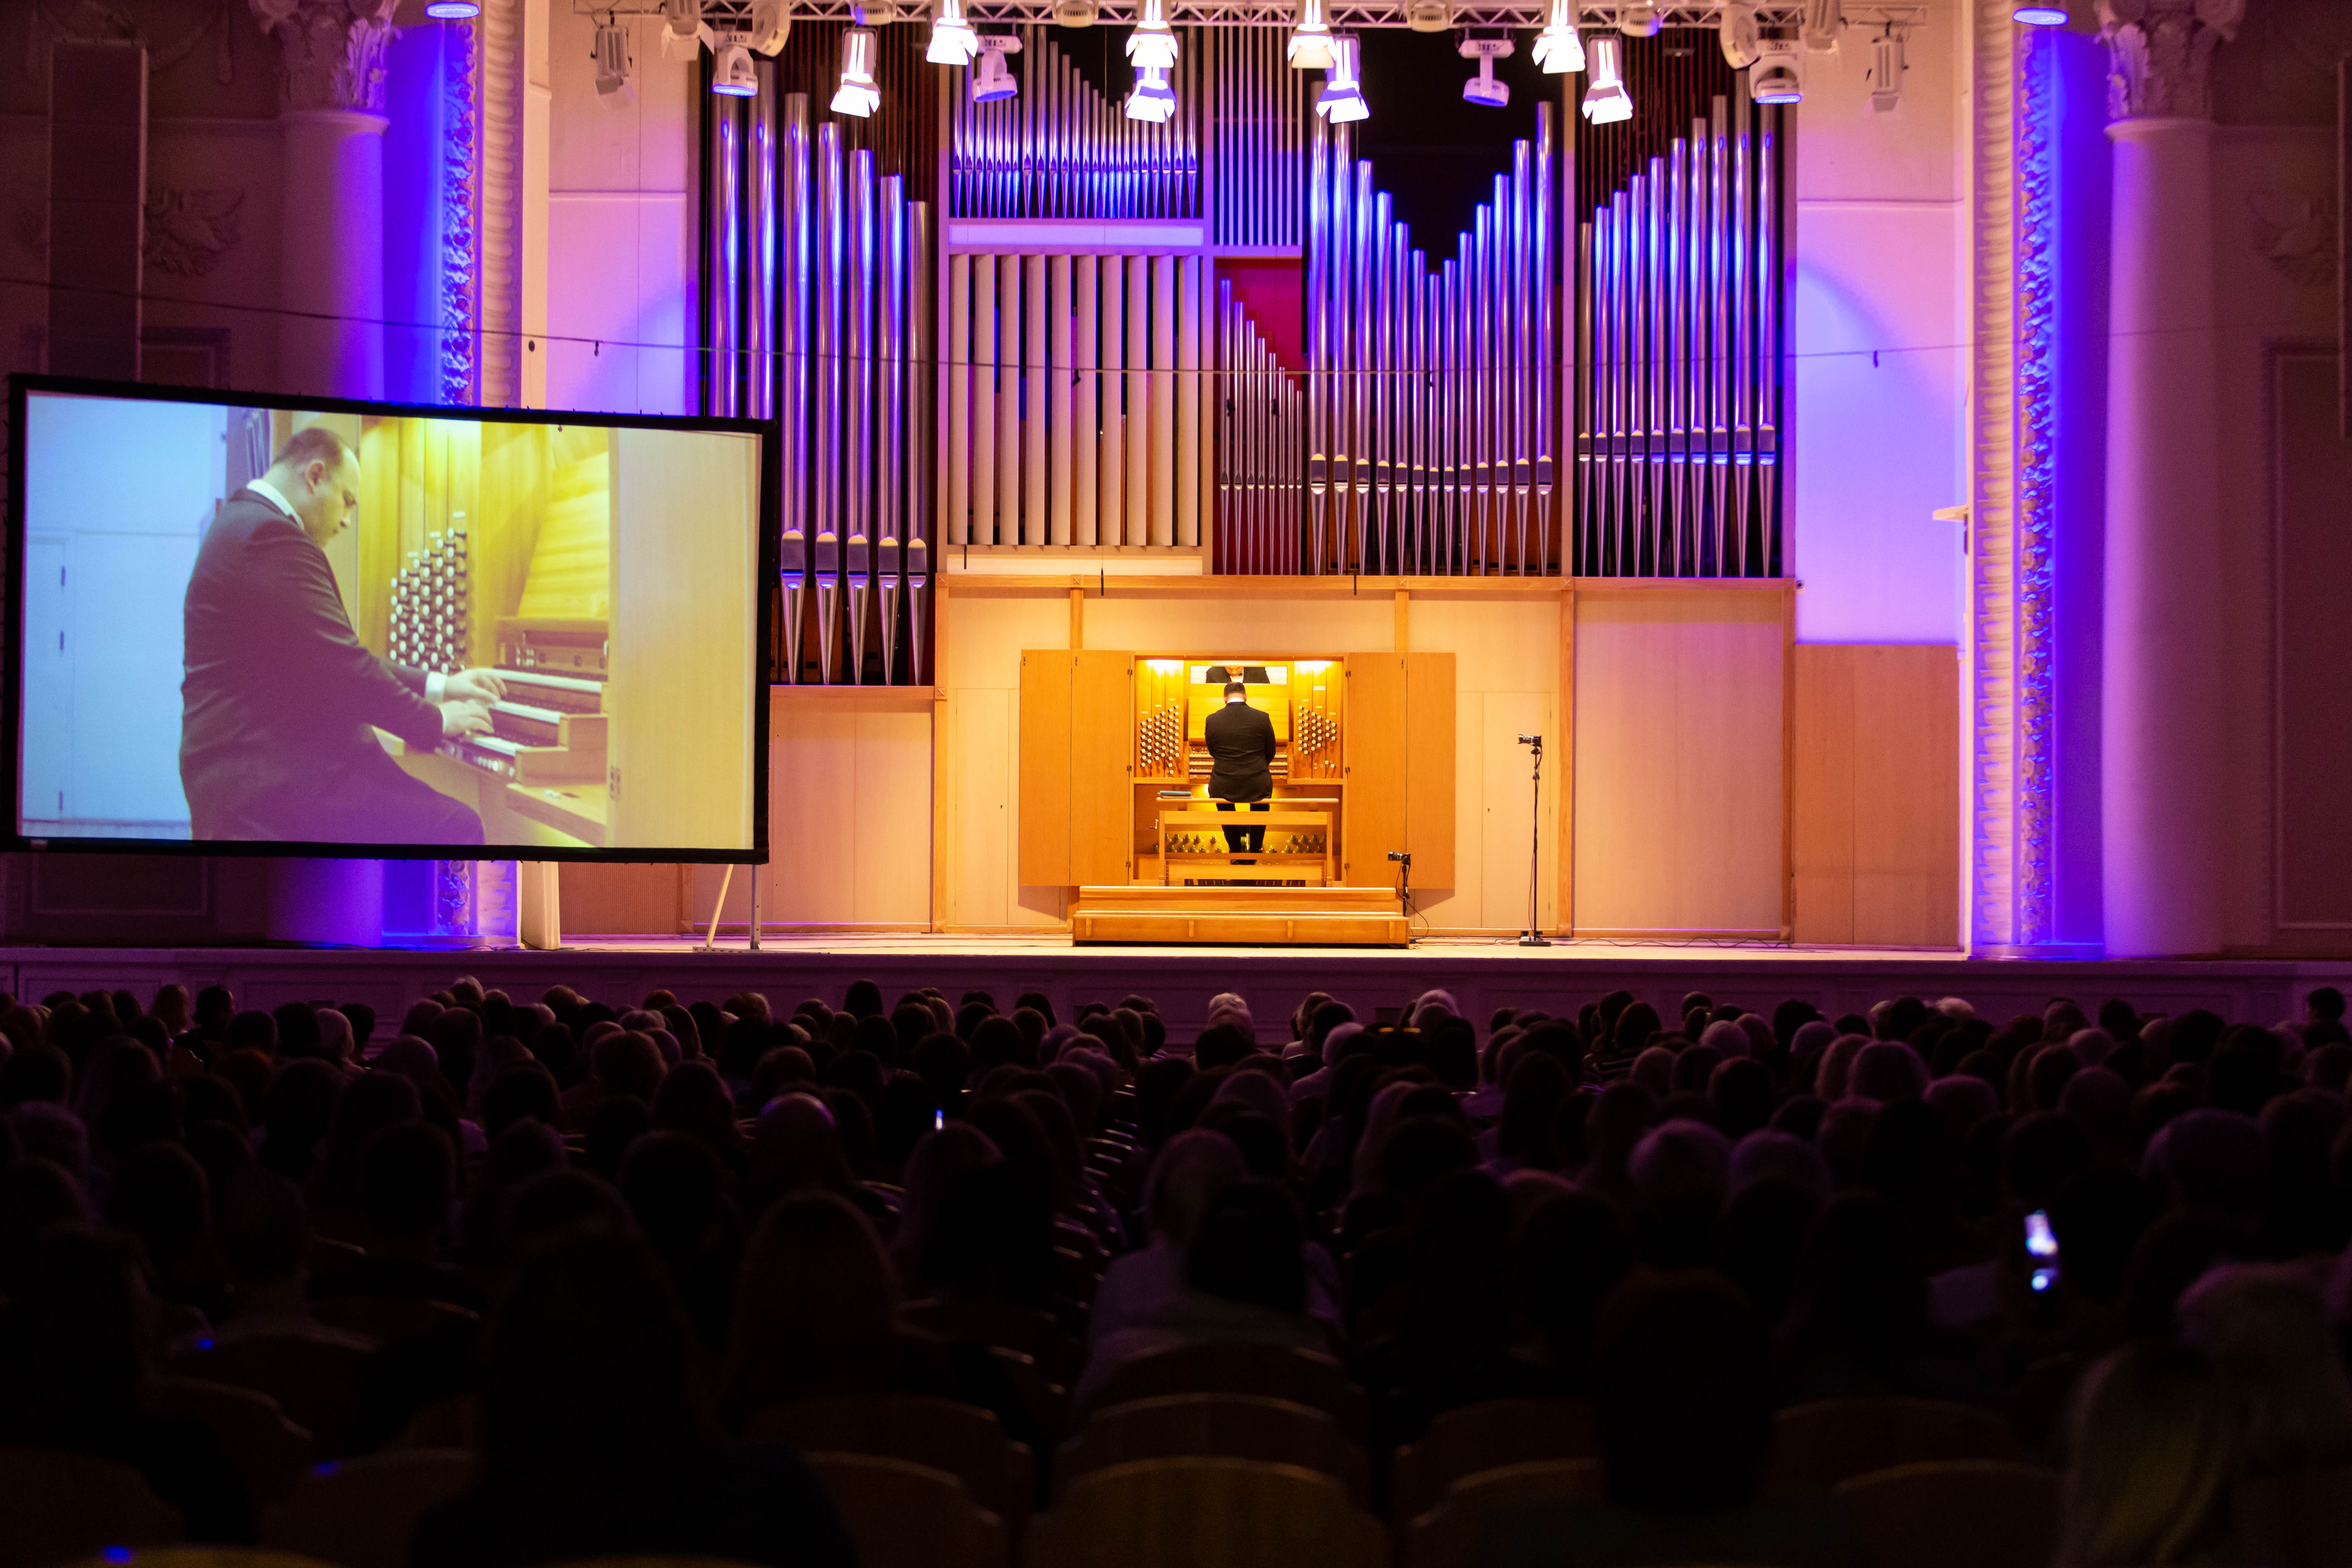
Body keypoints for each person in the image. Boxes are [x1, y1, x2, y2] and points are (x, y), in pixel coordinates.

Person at [179, 425, 505, 844]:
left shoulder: (244, 523)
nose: (348, 520)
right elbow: (345, 667)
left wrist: (442, 685)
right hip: (270, 780)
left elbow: (329, 655)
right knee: (456, 826)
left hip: (252, 768)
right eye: (348, 501)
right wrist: (436, 720)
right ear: (315, 476)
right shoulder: (268, 536)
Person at [1203, 676, 1276, 855]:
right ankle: (1256, 850)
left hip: (1224, 782)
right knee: (1260, 805)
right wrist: (1258, 767)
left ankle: (1235, 850)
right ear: (1245, 697)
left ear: (1225, 698)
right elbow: (1271, 750)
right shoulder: (1262, 718)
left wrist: (1228, 764)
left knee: (1224, 806)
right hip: (1257, 781)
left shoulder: (1212, 720)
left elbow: (1213, 751)